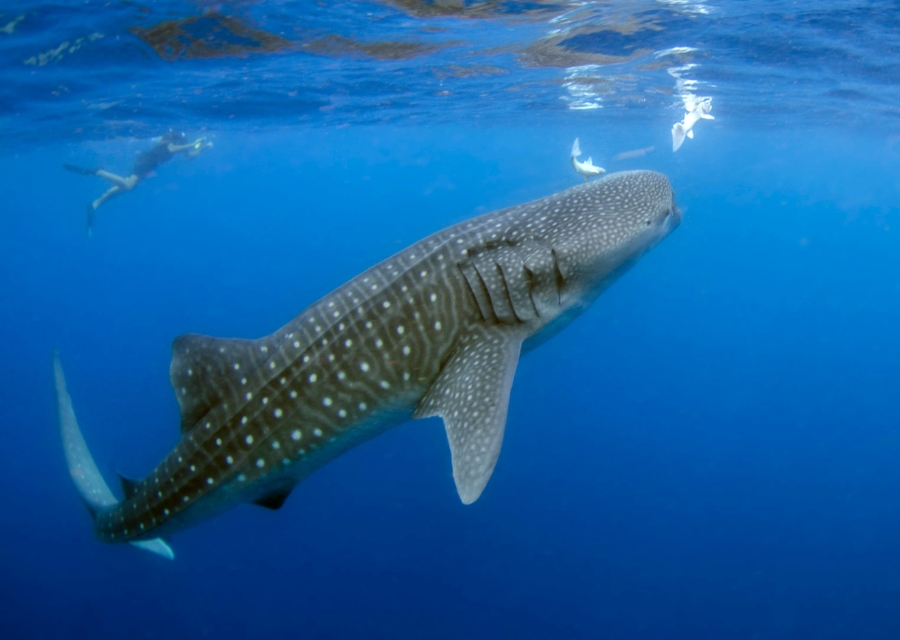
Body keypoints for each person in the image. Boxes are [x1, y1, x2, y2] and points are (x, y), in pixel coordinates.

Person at [64, 130, 212, 236]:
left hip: (148, 164)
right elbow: (174, 148)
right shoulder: (171, 142)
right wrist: (192, 144)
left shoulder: (177, 143)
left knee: (126, 186)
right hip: (146, 162)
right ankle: (98, 172)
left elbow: (190, 157)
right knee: (128, 186)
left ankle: (96, 203)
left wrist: (203, 148)